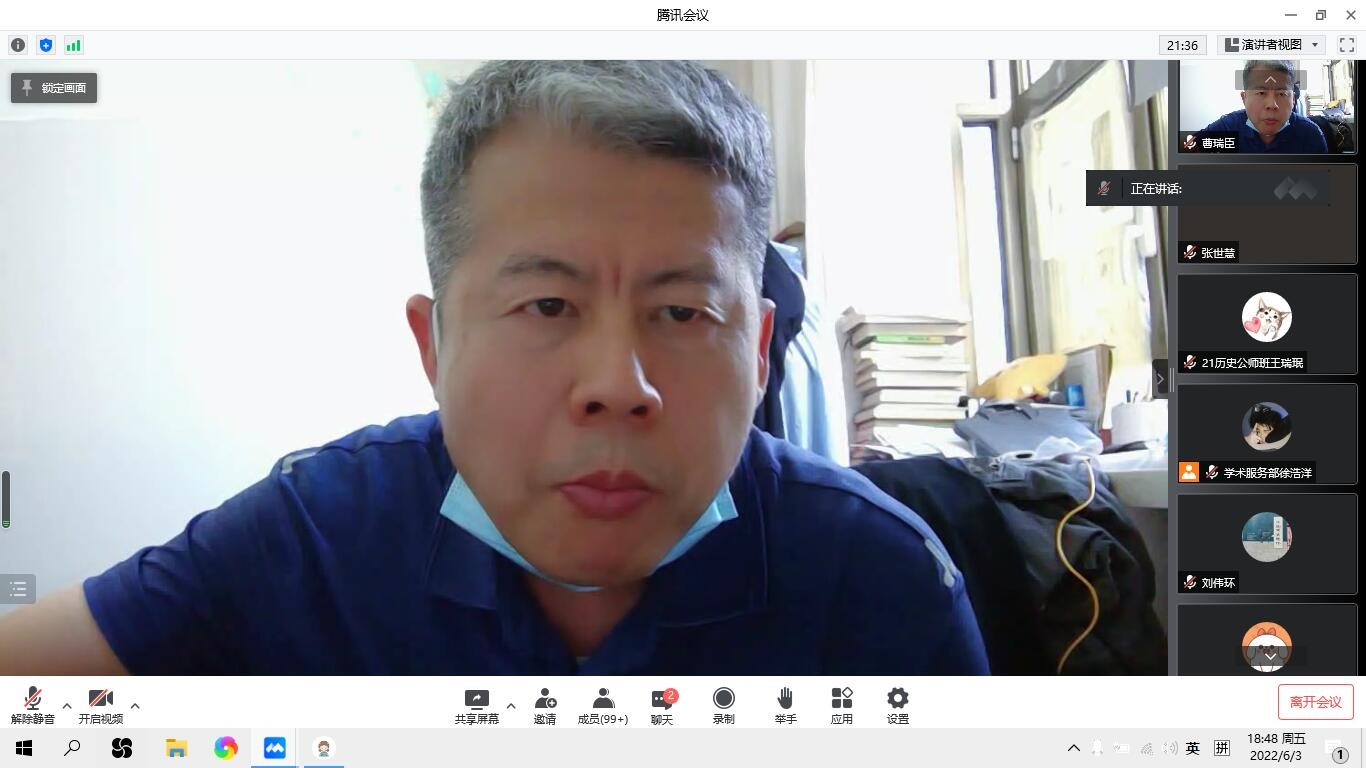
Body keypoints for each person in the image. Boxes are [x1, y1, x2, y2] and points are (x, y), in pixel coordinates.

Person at [0, 61, 988, 675]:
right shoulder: (316, 533)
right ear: (433, 347)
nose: (619, 385)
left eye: (682, 312)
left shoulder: (880, 580)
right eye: (547, 306)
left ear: (760, 350)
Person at [1202, 60, 1329, 153]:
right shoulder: (1228, 127)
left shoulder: (1311, 135)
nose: (1272, 105)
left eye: (1282, 94)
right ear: (1244, 98)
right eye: (1261, 93)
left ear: (1293, 99)